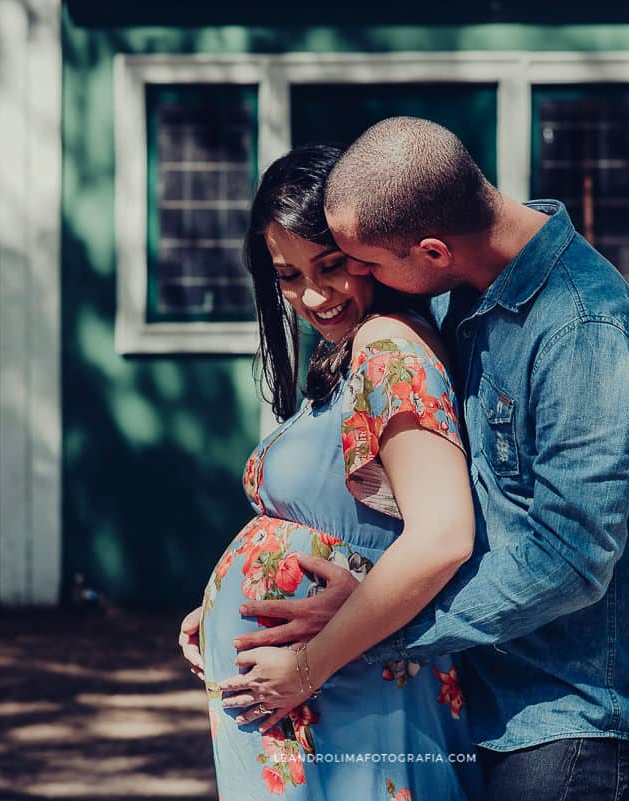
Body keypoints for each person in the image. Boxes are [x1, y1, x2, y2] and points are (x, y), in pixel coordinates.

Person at [183, 117, 629, 801]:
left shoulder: (583, 334)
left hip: (568, 713)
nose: (354, 284)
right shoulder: (468, 292)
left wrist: (358, 633)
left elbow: (569, 560)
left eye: (362, 265)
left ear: (432, 251)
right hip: (484, 694)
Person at [193, 143, 485, 801]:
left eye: (329, 266)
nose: (313, 294)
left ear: (366, 250)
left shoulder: (387, 347)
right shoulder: (348, 356)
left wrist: (302, 666)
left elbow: (442, 536)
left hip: (352, 690)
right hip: (325, 693)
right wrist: (226, 603)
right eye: (287, 276)